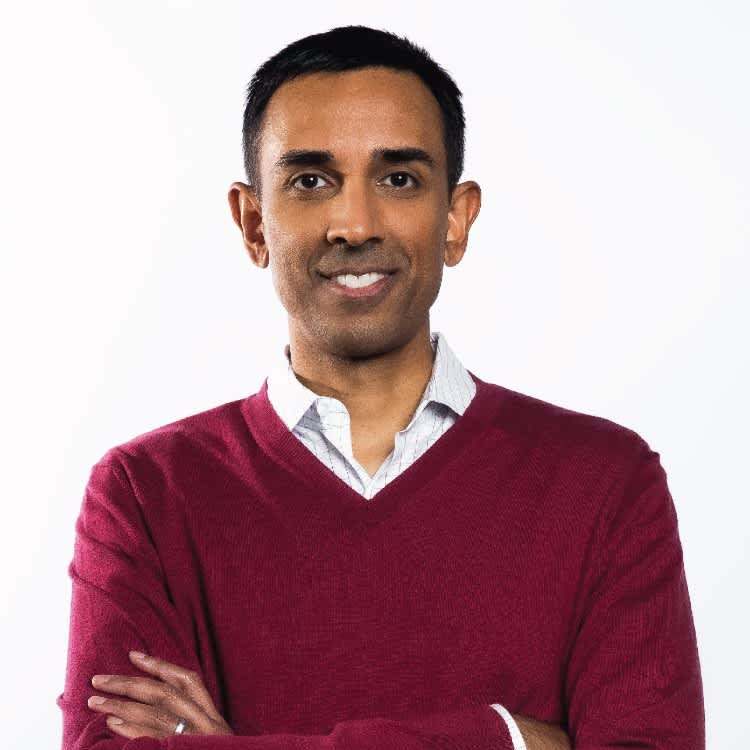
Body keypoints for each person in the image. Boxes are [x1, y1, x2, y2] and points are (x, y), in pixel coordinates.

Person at [56, 25, 705, 750]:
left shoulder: (606, 483)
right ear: (253, 223)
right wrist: (506, 738)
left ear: (455, 220)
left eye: (399, 179)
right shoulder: (145, 494)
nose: (355, 224)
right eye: (311, 181)